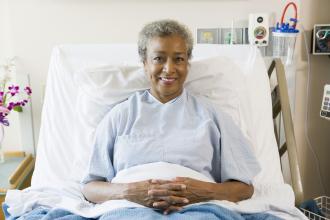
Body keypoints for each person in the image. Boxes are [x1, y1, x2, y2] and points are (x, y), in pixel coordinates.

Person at [80, 19, 280, 220]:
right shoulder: (120, 116)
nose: (169, 69)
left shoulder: (213, 116)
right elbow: (90, 188)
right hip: (128, 209)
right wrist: (129, 192)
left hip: (201, 209)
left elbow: (244, 189)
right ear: (145, 63)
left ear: (187, 63)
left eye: (178, 59)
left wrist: (205, 192)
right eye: (159, 58)